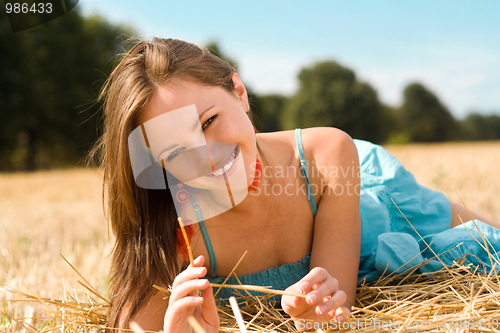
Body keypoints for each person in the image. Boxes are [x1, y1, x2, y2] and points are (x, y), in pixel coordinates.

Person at [90, 37, 500, 333]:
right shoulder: (170, 227)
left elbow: (340, 306)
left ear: (240, 92)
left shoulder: (328, 151)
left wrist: (323, 311)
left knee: (490, 242)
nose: (208, 157)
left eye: (209, 121)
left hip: (375, 201)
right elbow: (138, 325)